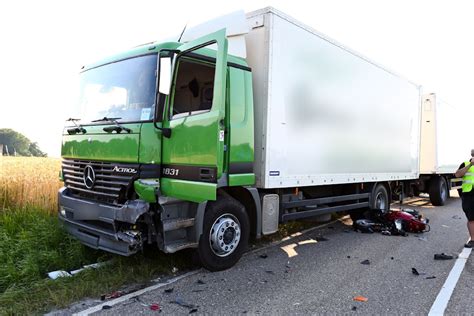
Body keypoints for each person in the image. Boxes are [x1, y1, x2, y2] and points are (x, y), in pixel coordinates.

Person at [455, 149, 474, 248]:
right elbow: (457, 174)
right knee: (471, 218)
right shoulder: (465, 164)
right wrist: (470, 165)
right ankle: (473, 240)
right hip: (468, 194)